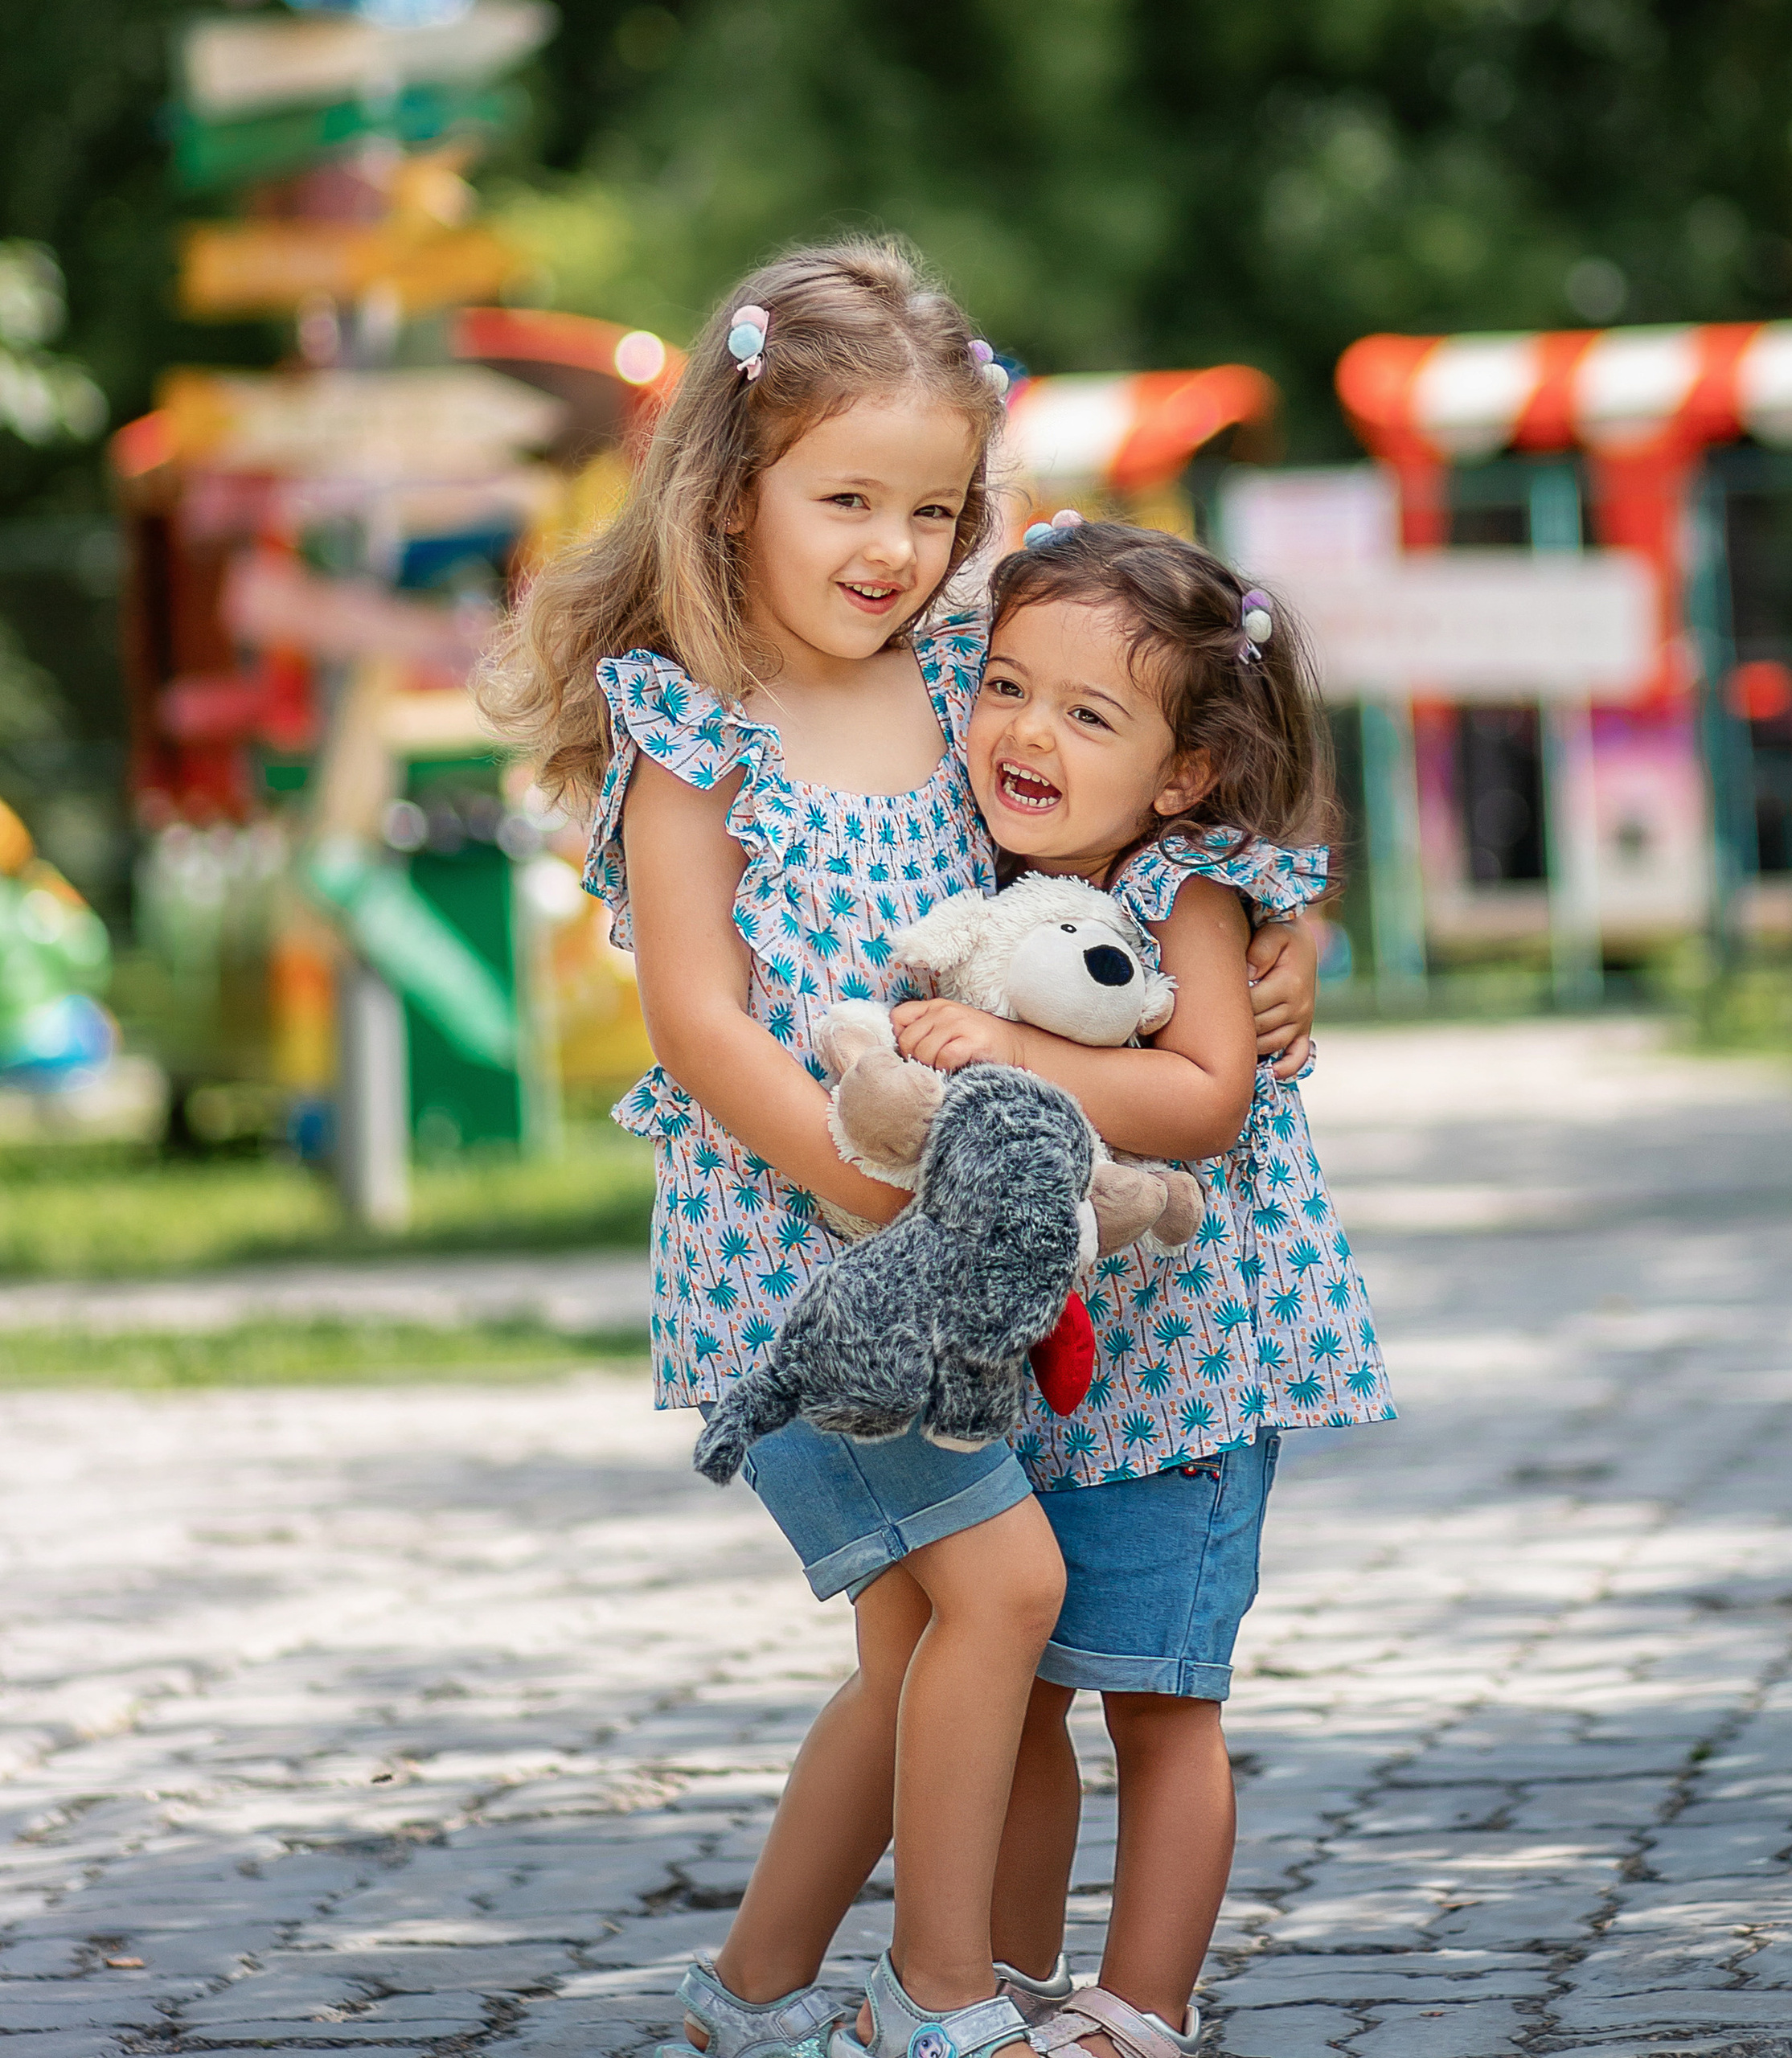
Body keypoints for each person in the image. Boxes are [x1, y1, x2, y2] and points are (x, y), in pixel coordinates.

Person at [477, 244, 1317, 2058]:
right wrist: (874, 1196)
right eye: (842, 497)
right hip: (811, 1265)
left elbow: (1154, 701)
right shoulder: (690, 720)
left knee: (914, 1659)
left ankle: (750, 1993)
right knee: (1004, 1592)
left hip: (968, 1263)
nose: (891, 545)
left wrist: (1261, 938)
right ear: (730, 491)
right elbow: (700, 1024)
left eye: (931, 507)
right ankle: (933, 1995)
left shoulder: (960, 664)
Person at [889, 520, 1397, 2058]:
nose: (1029, 734)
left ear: (1183, 771)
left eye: (1090, 715)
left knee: (1162, 1702)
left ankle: (1145, 2010)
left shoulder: (1189, 884)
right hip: (1060, 1372)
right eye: (1007, 689)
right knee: (1027, 1684)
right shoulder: (998, 866)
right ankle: (1011, 1981)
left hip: (1190, 1378)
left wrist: (1018, 1058)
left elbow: (1206, 1101)